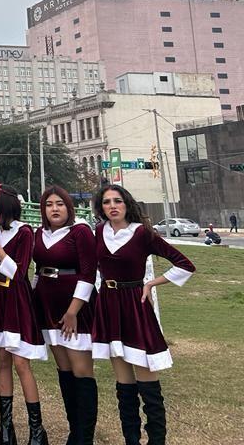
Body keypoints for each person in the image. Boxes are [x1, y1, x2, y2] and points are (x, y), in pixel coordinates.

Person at [92, 185, 196, 445]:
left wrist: (151, 284)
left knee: (147, 382)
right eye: (107, 202)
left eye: (118, 200)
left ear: (127, 204)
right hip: (108, 305)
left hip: (135, 306)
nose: (112, 206)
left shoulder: (141, 234)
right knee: (124, 386)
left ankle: (157, 440)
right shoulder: (98, 232)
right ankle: (131, 440)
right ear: (101, 207)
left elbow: (185, 264)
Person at [0, 184, 48, 445]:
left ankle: (37, 431)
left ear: (2, 203)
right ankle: (7, 430)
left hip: (15, 300)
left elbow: (18, 273)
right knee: (2, 362)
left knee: (20, 363)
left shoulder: (25, 232)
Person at [32, 186, 97, 445]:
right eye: (49, 204)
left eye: (60, 204)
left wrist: (73, 311)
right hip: (47, 306)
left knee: (81, 371)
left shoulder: (80, 231)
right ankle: (74, 431)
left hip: (75, 308)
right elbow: (37, 271)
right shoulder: (40, 233)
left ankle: (84, 437)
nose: (54, 209)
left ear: (68, 207)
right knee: (65, 370)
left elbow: (88, 272)